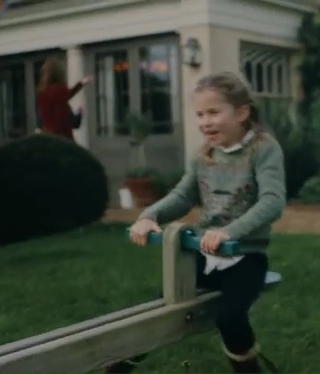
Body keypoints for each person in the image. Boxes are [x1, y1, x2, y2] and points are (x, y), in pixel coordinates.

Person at [124, 71, 286, 374]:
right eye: (200, 114)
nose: (205, 122)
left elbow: (273, 201)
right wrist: (148, 217)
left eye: (213, 112)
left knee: (229, 317)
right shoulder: (204, 156)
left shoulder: (263, 149)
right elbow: (183, 196)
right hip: (203, 253)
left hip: (245, 258)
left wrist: (228, 232)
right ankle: (116, 367)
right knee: (161, 310)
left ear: (241, 112)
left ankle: (250, 370)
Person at [36, 58, 93, 140]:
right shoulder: (60, 90)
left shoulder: (42, 92)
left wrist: (82, 83)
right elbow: (62, 117)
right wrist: (79, 113)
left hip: (47, 136)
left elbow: (66, 95)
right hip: (62, 136)